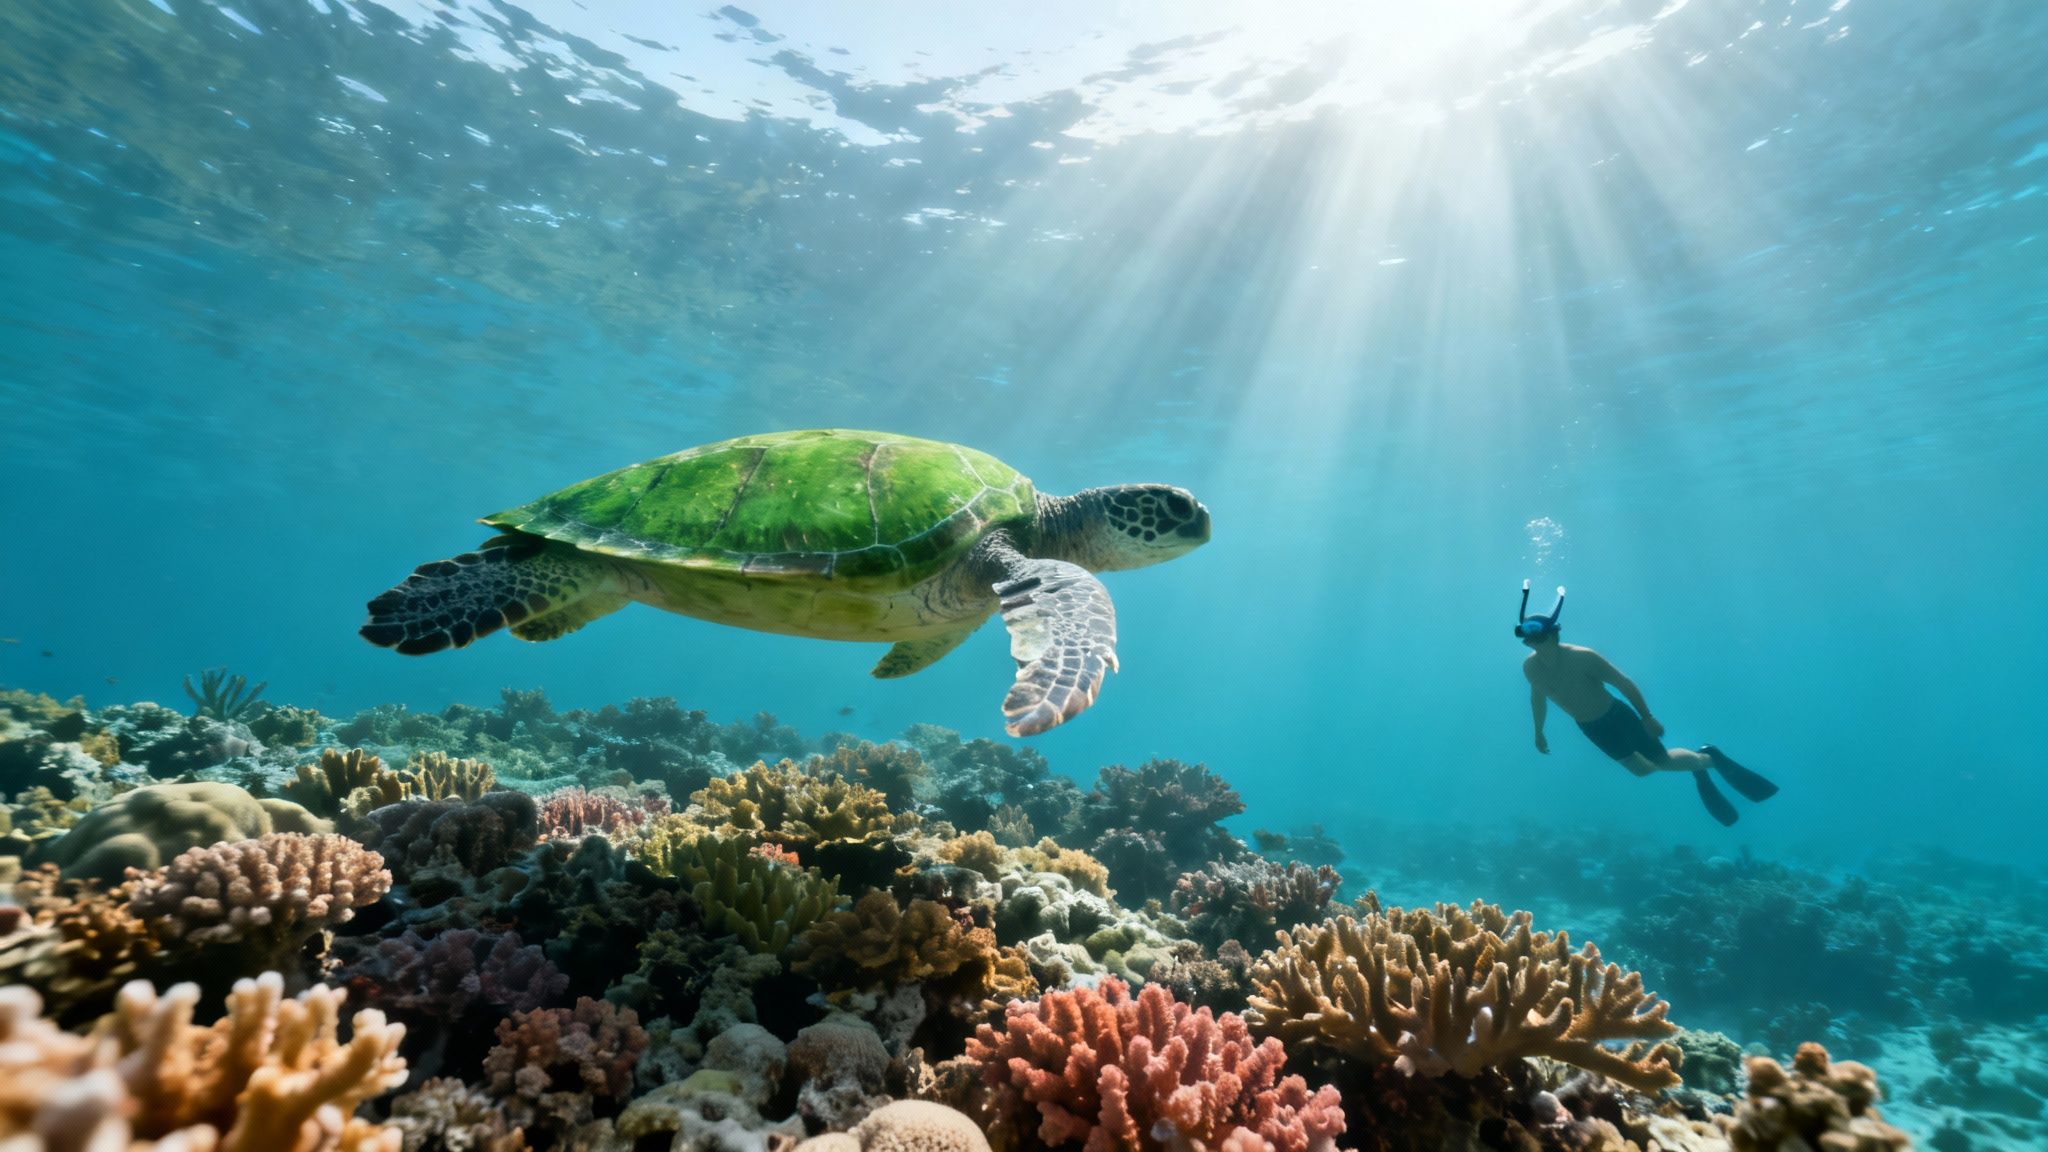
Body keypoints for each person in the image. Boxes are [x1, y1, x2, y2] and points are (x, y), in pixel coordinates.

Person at [1515, 581, 1778, 826]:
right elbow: (1537, 698)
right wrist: (1538, 732)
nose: (1529, 640)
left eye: (1534, 634)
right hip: (1591, 728)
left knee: (1661, 761)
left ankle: (1707, 759)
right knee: (1641, 771)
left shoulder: (1583, 658)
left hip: (1616, 716)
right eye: (1525, 635)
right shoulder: (1530, 668)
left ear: (1551, 634)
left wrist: (1647, 717)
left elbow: (1623, 683)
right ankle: (1697, 765)